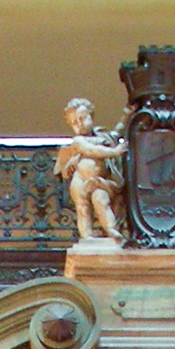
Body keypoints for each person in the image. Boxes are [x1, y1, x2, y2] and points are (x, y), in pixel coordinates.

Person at [55, 97, 127, 241]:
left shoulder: (103, 137)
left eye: (82, 118)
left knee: (101, 198)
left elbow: (117, 132)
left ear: (91, 116)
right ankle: (87, 235)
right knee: (82, 207)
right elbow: (92, 150)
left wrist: (127, 115)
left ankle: (111, 229)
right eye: (74, 122)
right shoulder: (78, 141)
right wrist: (114, 152)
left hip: (98, 180)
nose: (79, 124)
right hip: (80, 180)